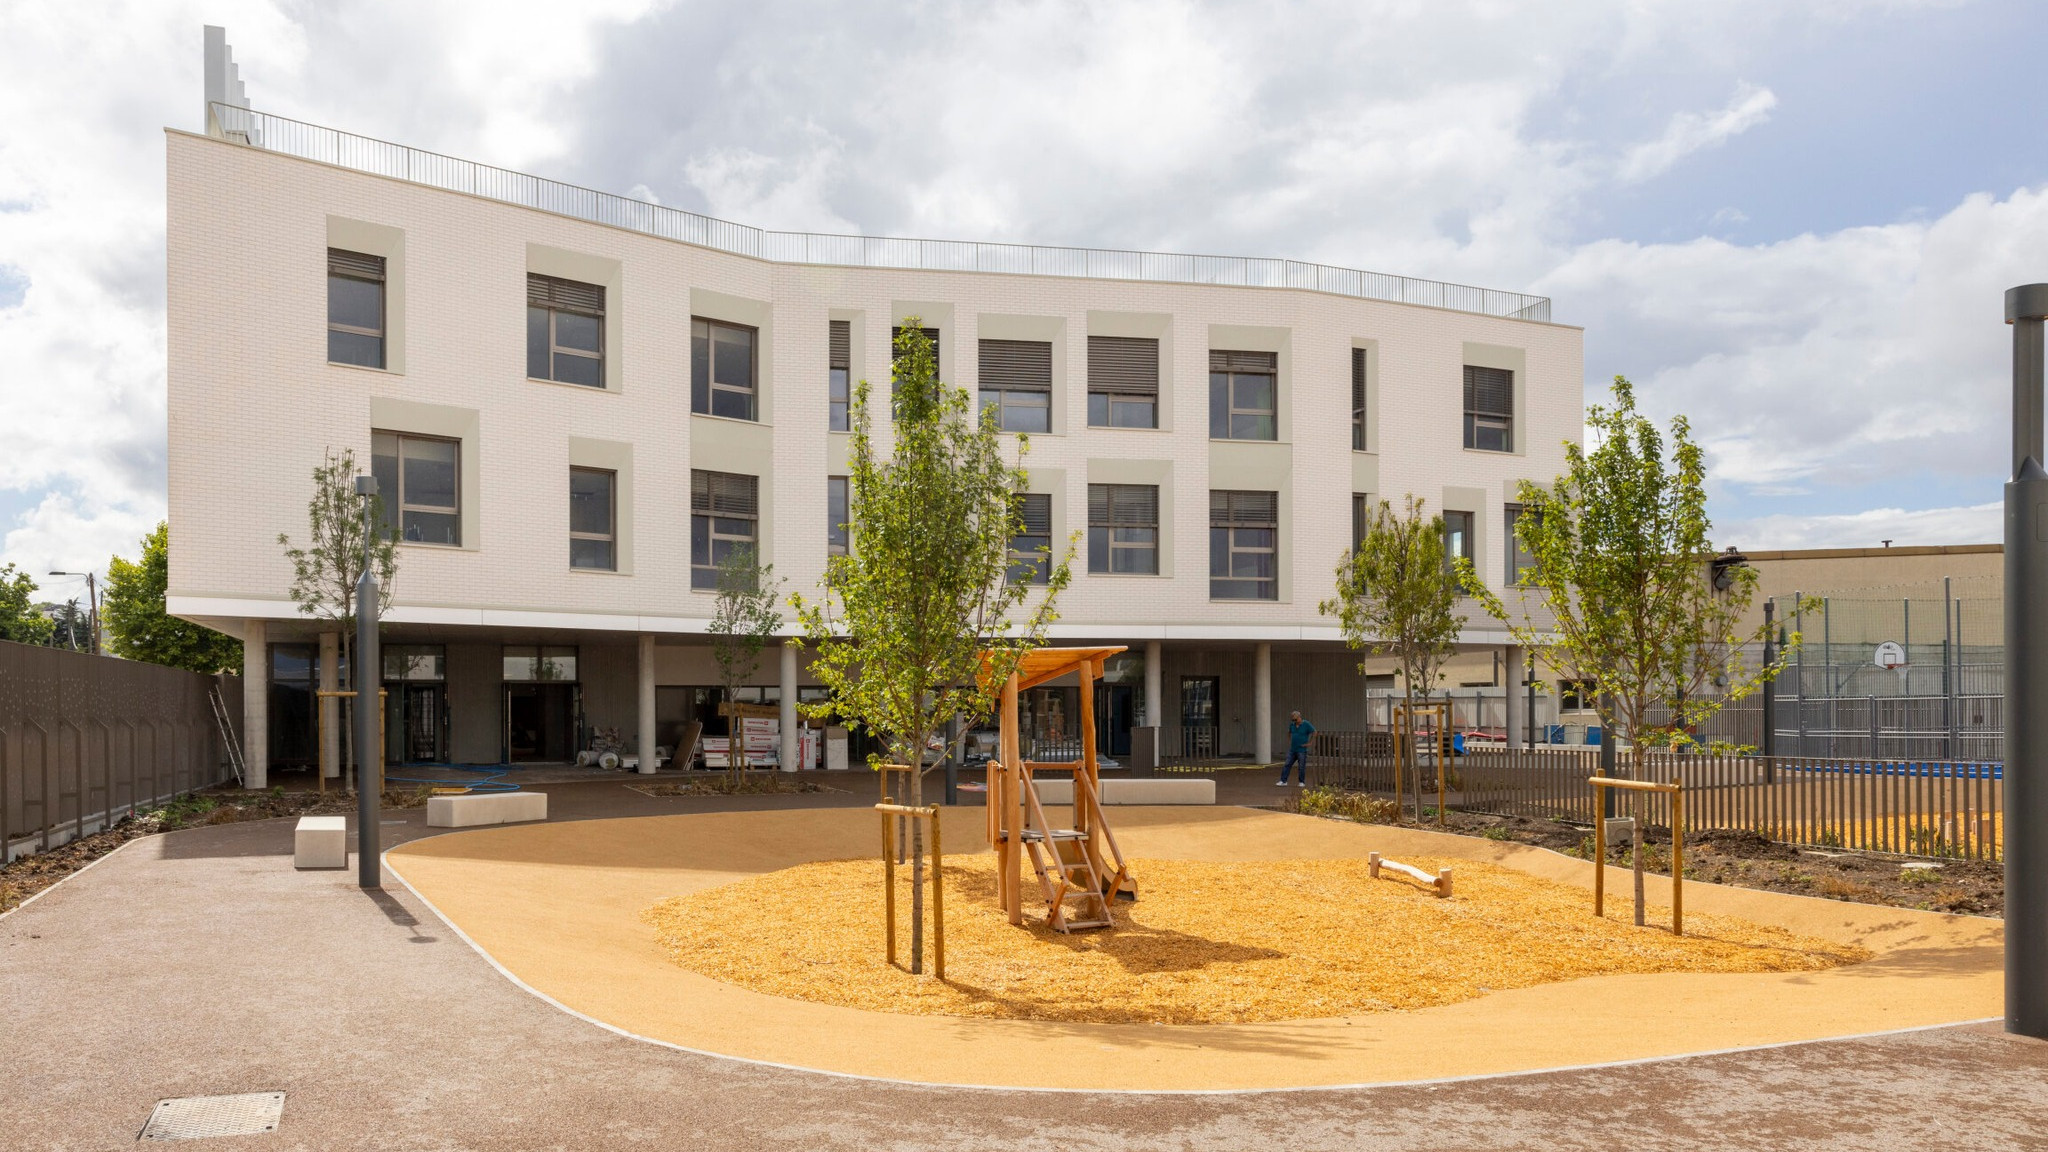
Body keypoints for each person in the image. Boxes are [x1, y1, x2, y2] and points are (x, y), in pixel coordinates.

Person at [1279, 710, 1315, 786]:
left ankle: (1301, 781)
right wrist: (1289, 741)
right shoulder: (1292, 725)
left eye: (1295, 719)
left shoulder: (1306, 724)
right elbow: (1289, 732)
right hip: (1293, 749)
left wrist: (1310, 742)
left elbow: (1314, 732)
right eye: (1293, 720)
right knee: (1287, 764)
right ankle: (1283, 781)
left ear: (1299, 717)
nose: (1295, 721)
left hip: (1301, 750)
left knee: (1301, 766)